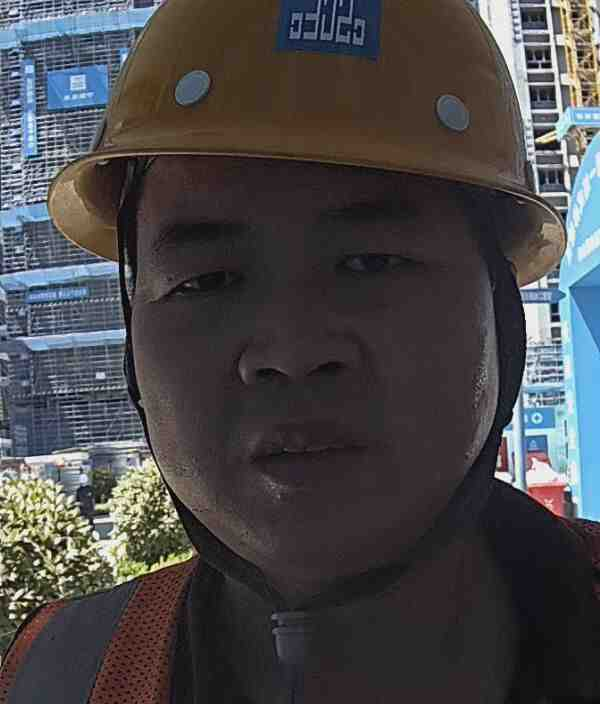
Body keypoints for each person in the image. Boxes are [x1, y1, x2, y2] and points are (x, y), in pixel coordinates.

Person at [2, 0, 600, 701]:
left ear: (500, 308)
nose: (290, 351)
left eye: (371, 263)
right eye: (207, 280)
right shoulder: (57, 678)